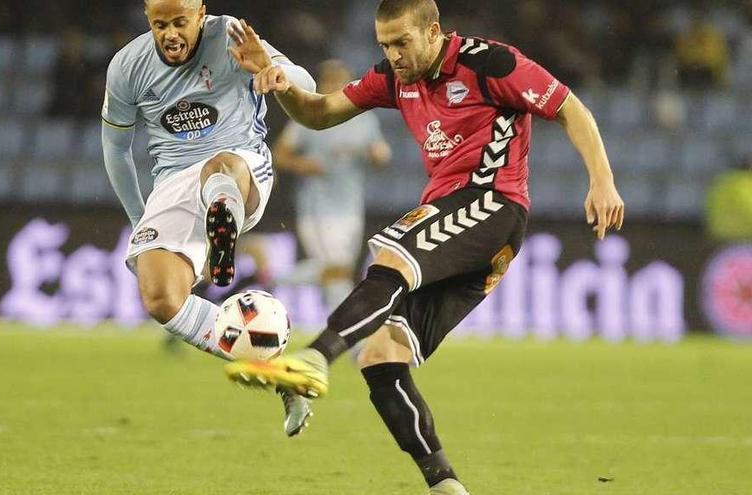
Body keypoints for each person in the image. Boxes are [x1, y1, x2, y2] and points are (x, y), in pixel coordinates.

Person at [225, 0, 625, 493]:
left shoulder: (489, 62)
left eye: (401, 42)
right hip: (462, 221)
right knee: (380, 354)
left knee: (392, 255)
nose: (392, 55)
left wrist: (602, 181)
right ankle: (444, 484)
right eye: (384, 45)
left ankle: (315, 359)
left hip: (491, 202)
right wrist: (275, 78)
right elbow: (319, 113)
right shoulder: (396, 79)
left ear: (433, 31)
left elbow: (569, 107)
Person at [100, 0, 316, 437]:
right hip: (173, 184)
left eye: (180, 22)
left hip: (241, 164)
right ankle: (274, 368)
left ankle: (224, 227)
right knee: (160, 297)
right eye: (160, 24)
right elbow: (116, 149)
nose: (170, 34)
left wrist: (277, 73)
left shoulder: (231, 34)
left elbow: (306, 81)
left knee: (219, 168)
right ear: (147, 17)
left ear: (201, 13)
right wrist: (140, 218)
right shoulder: (127, 66)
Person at [273, 59, 392, 312]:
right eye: (332, 80)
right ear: (323, 84)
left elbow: (381, 155)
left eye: (342, 80)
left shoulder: (364, 119)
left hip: (351, 206)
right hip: (318, 206)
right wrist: (303, 165)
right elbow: (280, 154)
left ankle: (267, 280)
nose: (337, 85)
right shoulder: (309, 114)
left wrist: (378, 156)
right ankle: (350, 336)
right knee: (337, 272)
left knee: (338, 273)